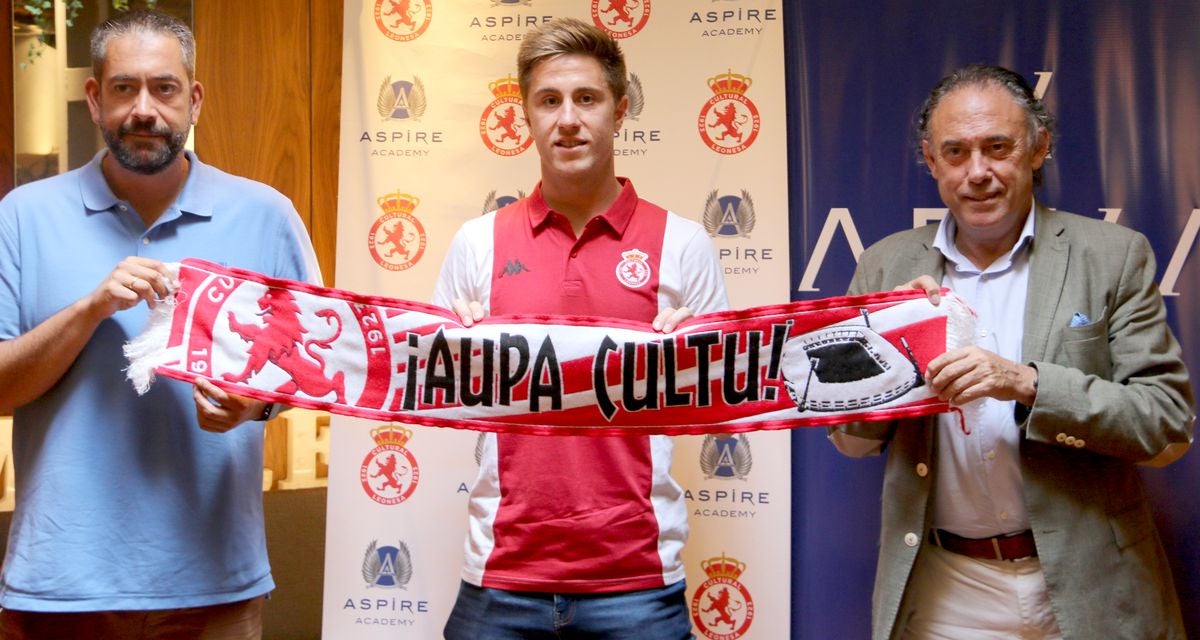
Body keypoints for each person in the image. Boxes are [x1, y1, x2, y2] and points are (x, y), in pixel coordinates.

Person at [829, 64, 1195, 639]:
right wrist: (887, 350)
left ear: (1037, 147)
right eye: (955, 153)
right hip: (947, 590)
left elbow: (1167, 424)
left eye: (997, 147)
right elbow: (849, 440)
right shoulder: (885, 266)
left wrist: (1029, 384)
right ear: (930, 161)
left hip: (1088, 586)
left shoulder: (1113, 255)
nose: (978, 173)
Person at [0, 10, 320, 638]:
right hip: (58, 589)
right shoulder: (21, 216)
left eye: (164, 88)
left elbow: (307, 369)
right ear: (95, 99)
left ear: (193, 99)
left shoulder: (266, 215)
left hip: (215, 585)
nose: (143, 109)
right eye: (124, 88)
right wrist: (89, 310)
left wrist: (253, 408)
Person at [432, 17, 729, 640]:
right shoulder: (476, 243)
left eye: (586, 99)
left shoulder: (683, 242)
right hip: (500, 577)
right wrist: (451, 356)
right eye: (549, 101)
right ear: (527, 116)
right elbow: (441, 400)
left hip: (639, 583)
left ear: (620, 110)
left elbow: (716, 408)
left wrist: (695, 361)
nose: (568, 119)